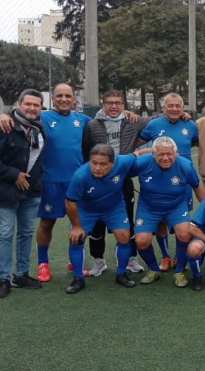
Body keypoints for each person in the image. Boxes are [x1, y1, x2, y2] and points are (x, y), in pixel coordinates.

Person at [0, 83, 97, 282]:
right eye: (59, 95)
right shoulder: (43, 116)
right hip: (49, 181)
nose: (64, 99)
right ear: (53, 98)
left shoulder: (84, 120)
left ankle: (74, 260)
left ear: (74, 99)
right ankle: (43, 263)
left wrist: (127, 112)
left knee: (77, 224)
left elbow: (106, 119)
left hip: (76, 182)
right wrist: (2, 115)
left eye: (68, 96)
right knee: (47, 223)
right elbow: (19, 114)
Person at [0, 89, 46, 298]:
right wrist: (13, 174)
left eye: (36, 105)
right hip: (7, 191)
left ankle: (21, 274)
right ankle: (3, 280)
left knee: (26, 233)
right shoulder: (5, 126)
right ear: (19, 104)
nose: (32, 108)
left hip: (32, 191)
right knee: (5, 235)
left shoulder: (40, 128)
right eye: (28, 104)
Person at [82, 90, 151, 276]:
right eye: (110, 103)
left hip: (123, 179)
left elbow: (159, 120)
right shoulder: (92, 125)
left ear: (124, 105)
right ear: (102, 104)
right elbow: (85, 152)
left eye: (118, 103)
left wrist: (184, 114)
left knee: (127, 220)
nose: (114, 106)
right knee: (97, 223)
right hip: (98, 181)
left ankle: (129, 258)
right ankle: (98, 260)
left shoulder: (133, 121)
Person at [63, 144, 145, 293]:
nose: (97, 168)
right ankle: (78, 278)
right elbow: (70, 201)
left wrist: (162, 150)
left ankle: (121, 273)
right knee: (76, 239)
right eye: (93, 163)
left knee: (124, 236)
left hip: (113, 208)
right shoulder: (80, 176)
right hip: (87, 210)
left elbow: (138, 152)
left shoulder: (122, 162)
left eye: (102, 164)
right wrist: (76, 226)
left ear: (112, 163)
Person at [129, 137, 205, 287]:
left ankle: (179, 271)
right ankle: (153, 269)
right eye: (161, 154)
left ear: (176, 154)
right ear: (153, 154)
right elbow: (121, 171)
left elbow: (197, 186)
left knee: (185, 233)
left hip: (176, 206)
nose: (165, 158)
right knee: (141, 240)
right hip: (148, 207)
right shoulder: (141, 163)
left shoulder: (185, 165)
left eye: (169, 154)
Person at [138, 93, 198, 271]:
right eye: (170, 106)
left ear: (183, 107)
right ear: (163, 107)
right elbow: (137, 141)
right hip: (157, 179)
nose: (174, 109)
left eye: (177, 106)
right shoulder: (154, 125)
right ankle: (165, 257)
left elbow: (195, 142)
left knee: (182, 224)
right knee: (161, 222)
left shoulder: (190, 125)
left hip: (182, 181)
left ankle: (180, 259)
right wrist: (158, 150)